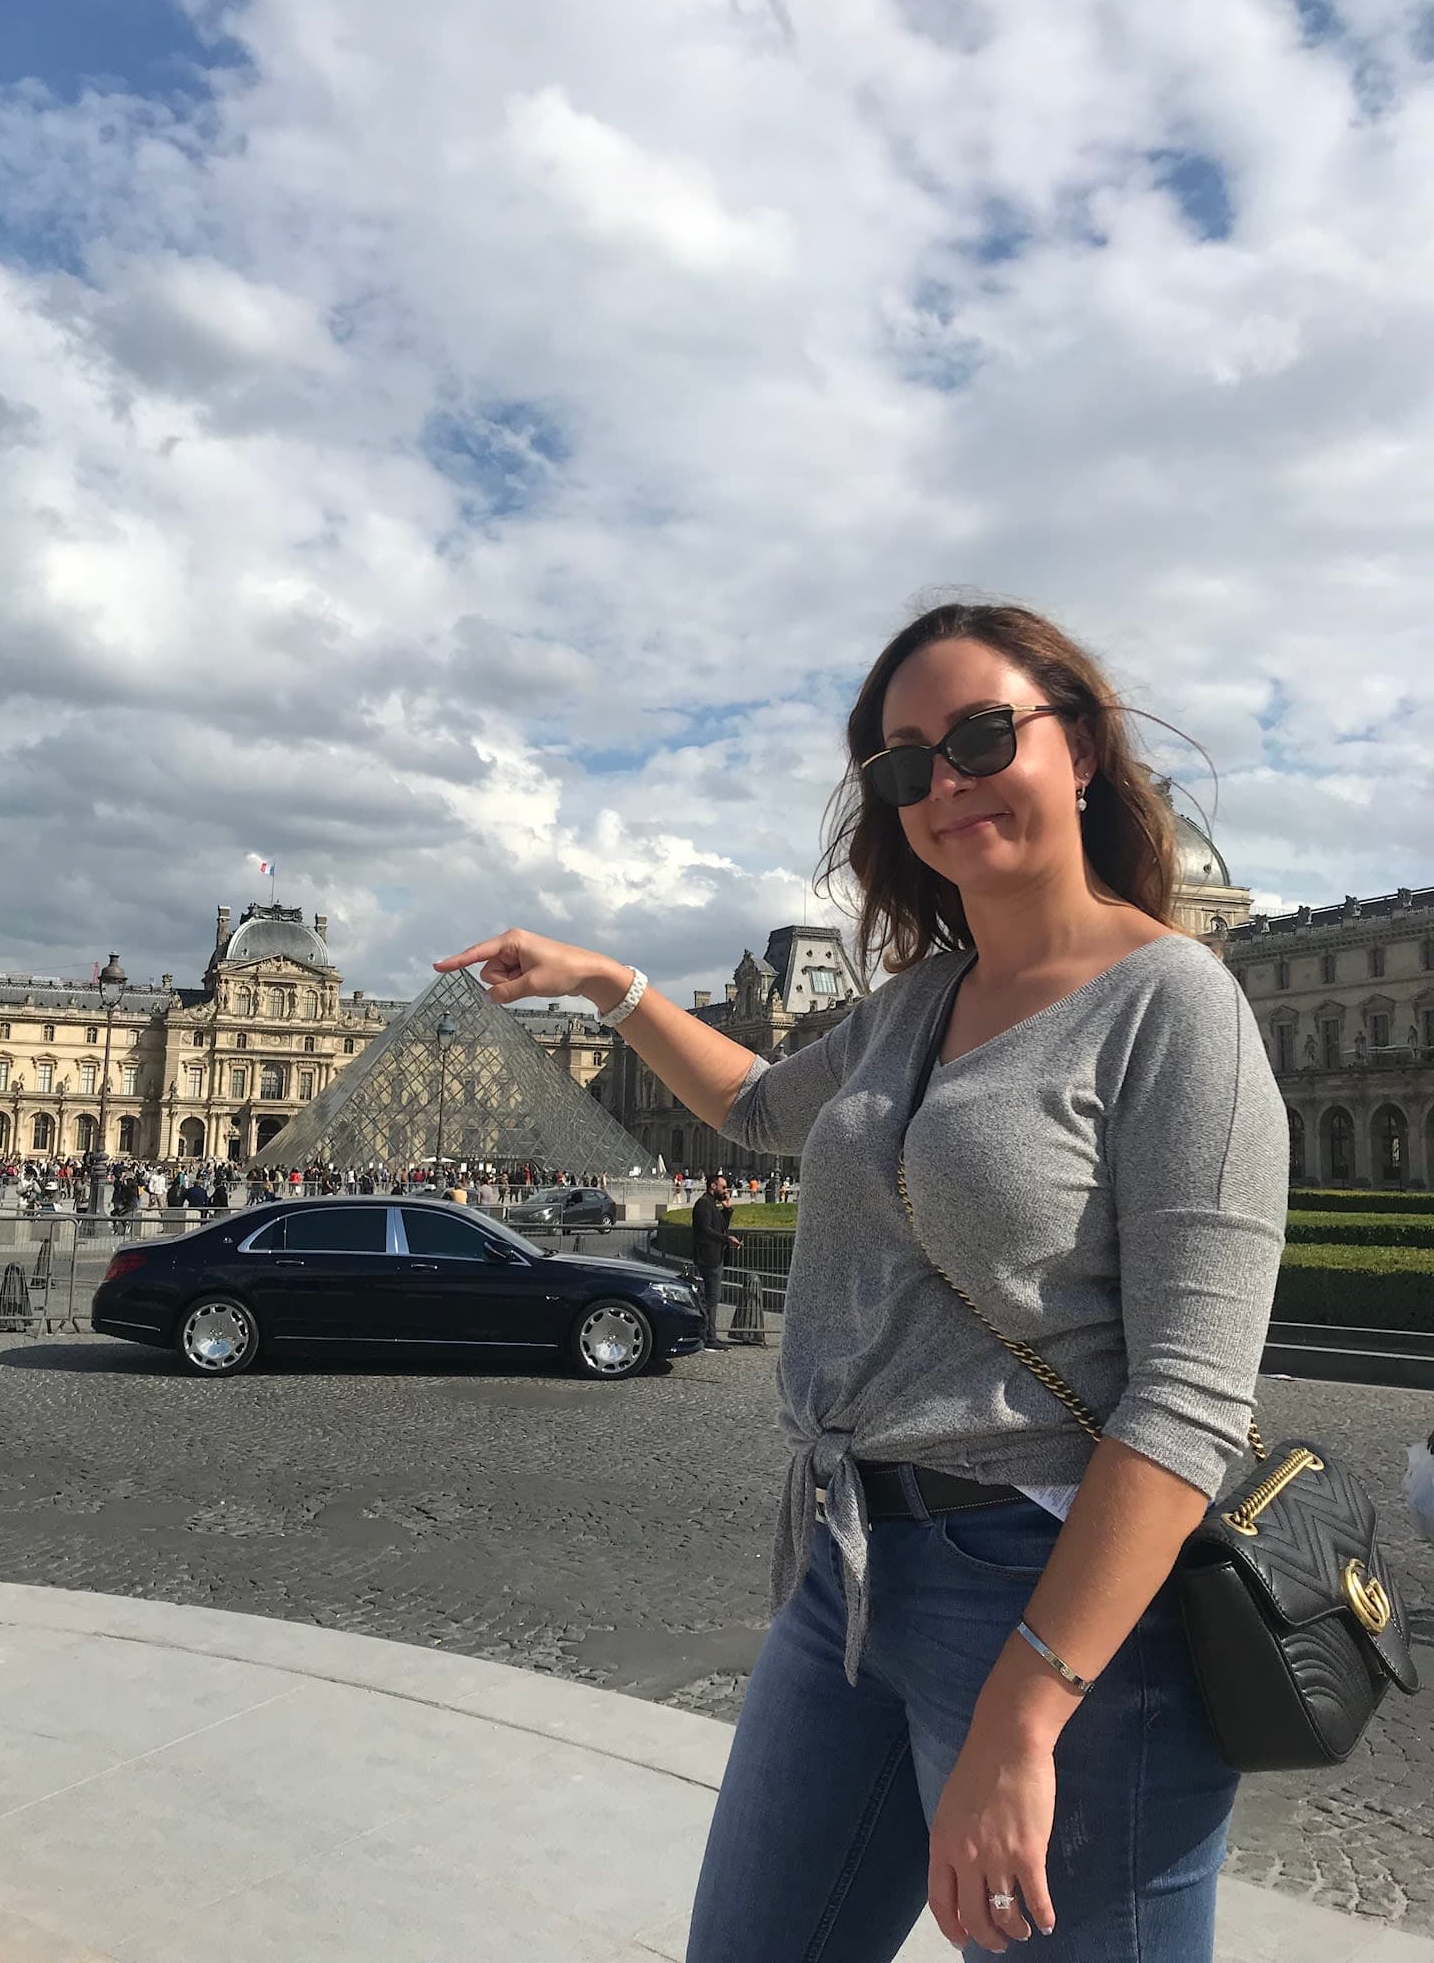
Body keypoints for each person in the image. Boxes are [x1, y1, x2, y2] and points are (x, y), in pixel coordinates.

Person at [433, 593, 1289, 1962]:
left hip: (1059, 1600)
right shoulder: (914, 1002)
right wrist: (608, 984)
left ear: (1078, 746)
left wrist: (1029, 1707)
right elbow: (764, 1107)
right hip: (847, 1571)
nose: (941, 783)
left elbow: (1187, 1402)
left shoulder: (1175, 1004)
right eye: (902, 766)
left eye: (979, 735)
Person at [691, 1172, 740, 1350]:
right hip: (709, 1258)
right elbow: (704, 1230)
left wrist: (727, 1209)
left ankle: (708, 1334)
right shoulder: (703, 1205)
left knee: (712, 1298)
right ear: (713, 1186)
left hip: (714, 1256)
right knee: (712, 1299)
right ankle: (709, 1337)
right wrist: (727, 1239)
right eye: (723, 1187)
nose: (725, 1191)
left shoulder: (711, 1204)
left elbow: (720, 1227)